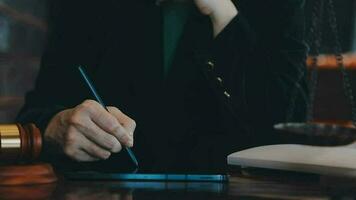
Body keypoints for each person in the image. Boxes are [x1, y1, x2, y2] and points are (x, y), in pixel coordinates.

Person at [17, 0, 308, 173]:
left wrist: (224, 18)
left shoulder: (279, 7)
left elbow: (284, 129)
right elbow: (34, 116)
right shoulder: (88, 7)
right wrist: (57, 127)